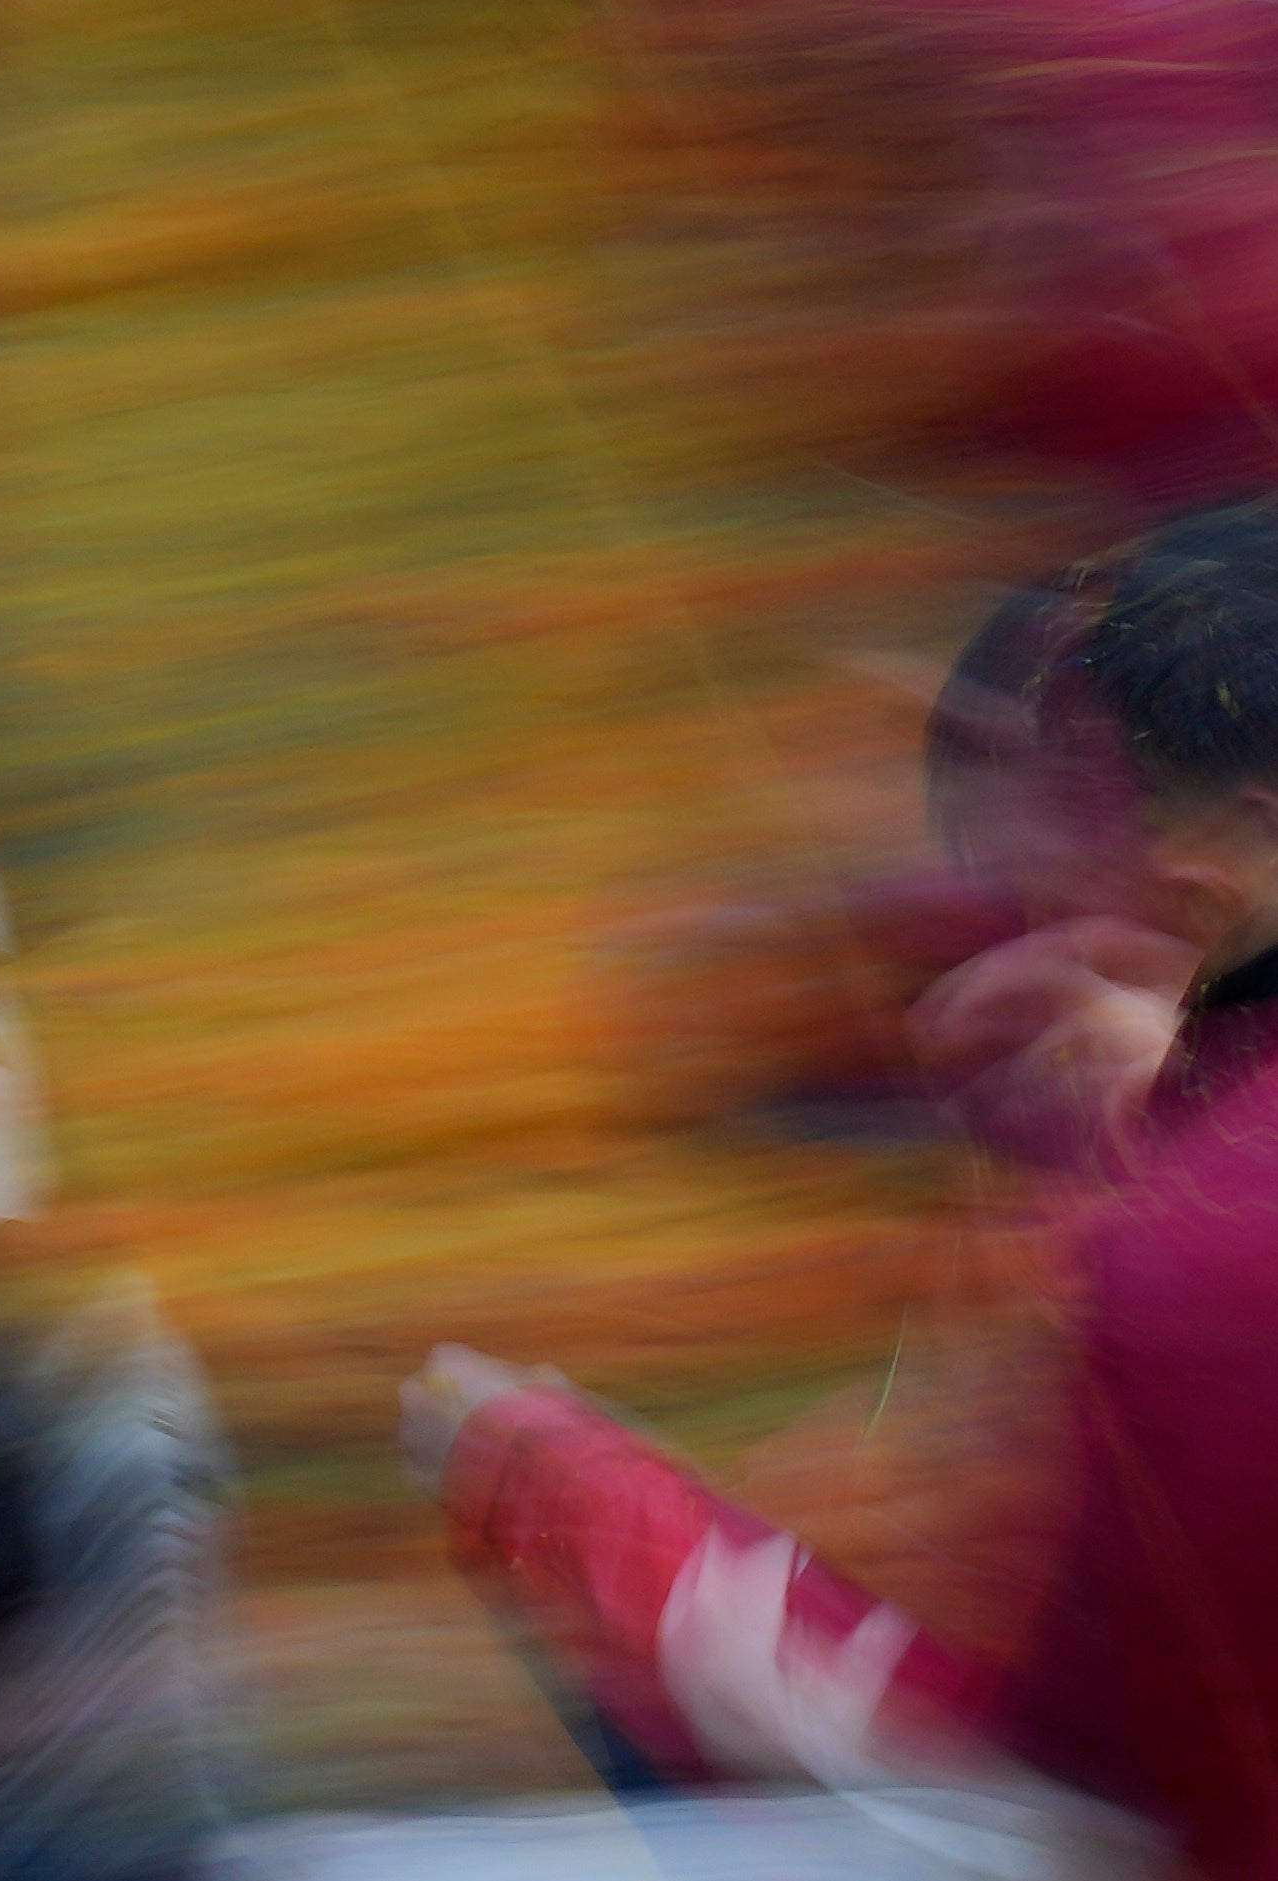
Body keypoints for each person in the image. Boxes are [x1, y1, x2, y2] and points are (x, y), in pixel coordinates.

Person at [425, 495, 1278, 1865]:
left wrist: (622, 1536)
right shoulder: (1171, 1196)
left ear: (1224, 843)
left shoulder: (1185, 1266)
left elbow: (1097, 1793)